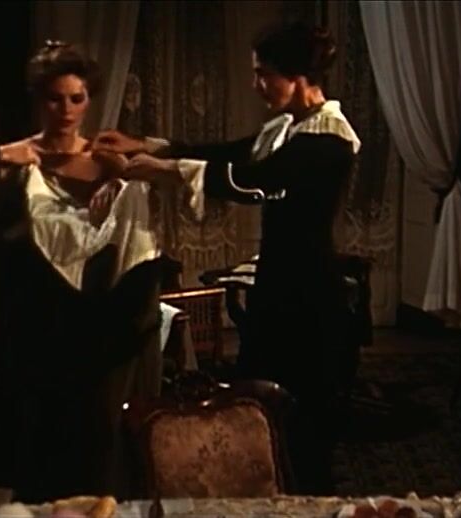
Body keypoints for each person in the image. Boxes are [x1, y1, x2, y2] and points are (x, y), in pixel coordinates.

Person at [97, 22, 361, 494]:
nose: (257, 85)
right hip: (279, 283)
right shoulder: (288, 127)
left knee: (304, 419)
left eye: (264, 74)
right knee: (260, 403)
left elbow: (254, 179)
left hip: (310, 296)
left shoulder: (329, 139)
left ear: (297, 75)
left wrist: (161, 170)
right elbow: (227, 153)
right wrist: (146, 145)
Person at [0, 41, 165, 502]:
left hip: (100, 325)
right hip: (39, 323)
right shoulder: (13, 159)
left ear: (89, 100)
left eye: (76, 98)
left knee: (99, 443)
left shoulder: (108, 161)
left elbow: (133, 244)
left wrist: (123, 179)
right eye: (55, 98)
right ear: (38, 99)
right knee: (43, 445)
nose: (66, 110)